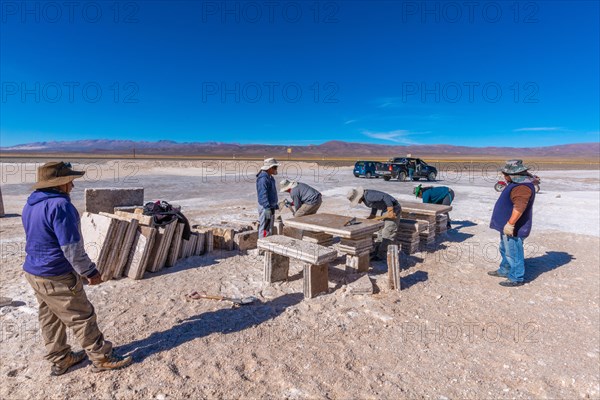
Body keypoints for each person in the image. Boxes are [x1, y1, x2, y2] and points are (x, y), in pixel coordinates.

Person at [22, 161, 133, 375]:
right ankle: (102, 357)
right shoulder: (61, 206)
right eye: (69, 181)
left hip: (34, 272)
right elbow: (71, 248)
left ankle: (60, 358)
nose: (72, 186)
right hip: (56, 273)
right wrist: (90, 272)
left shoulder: (30, 204)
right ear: (59, 184)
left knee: (50, 316)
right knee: (82, 316)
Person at [488, 160, 537, 287]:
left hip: (514, 228)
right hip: (507, 227)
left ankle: (516, 277)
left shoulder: (522, 187)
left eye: (505, 173)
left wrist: (510, 224)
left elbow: (519, 207)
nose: (504, 176)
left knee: (513, 252)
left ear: (513, 174)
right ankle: (505, 270)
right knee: (504, 248)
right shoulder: (517, 183)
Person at [347, 187, 401, 260]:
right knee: (381, 232)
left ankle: (381, 255)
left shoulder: (368, 196)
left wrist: (390, 210)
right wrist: (372, 215)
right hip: (385, 209)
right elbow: (375, 204)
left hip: (393, 208)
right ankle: (377, 251)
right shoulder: (366, 198)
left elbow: (385, 197)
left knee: (388, 232)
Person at [256, 158, 280, 237]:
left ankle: (267, 244)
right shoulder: (263, 179)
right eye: (275, 167)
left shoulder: (270, 177)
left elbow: (272, 192)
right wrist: (266, 207)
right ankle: (262, 246)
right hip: (266, 207)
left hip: (270, 206)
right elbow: (262, 194)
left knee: (269, 227)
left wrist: (274, 204)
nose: (276, 169)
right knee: (265, 228)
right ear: (270, 168)